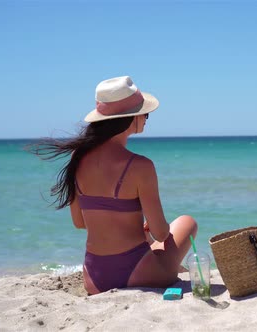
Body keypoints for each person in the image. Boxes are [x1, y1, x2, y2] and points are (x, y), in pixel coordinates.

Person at [31, 76, 198, 295]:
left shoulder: (76, 158)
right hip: (140, 271)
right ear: (129, 119)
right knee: (187, 222)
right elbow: (161, 234)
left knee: (150, 243)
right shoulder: (140, 166)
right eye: (144, 113)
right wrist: (149, 227)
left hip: (95, 277)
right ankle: (169, 265)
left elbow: (79, 222)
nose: (147, 117)